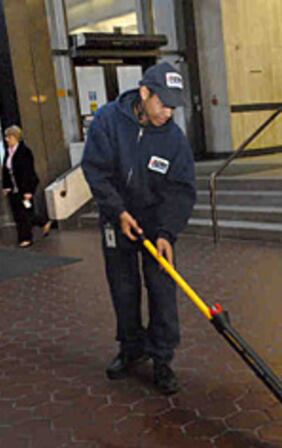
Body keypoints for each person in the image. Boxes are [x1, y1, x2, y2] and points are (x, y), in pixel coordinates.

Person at [81, 62, 196, 395]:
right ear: (145, 93)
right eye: (163, 103)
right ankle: (131, 349)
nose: (168, 112)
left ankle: (162, 359)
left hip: (155, 222)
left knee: (162, 291)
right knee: (123, 287)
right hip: (116, 218)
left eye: (173, 106)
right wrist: (117, 212)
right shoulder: (107, 121)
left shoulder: (174, 139)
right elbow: (95, 170)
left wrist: (166, 233)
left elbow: (182, 189)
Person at [1, 126, 51, 247]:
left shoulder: (25, 152)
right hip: (13, 188)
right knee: (20, 213)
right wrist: (6, 186)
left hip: (24, 187)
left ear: (15, 137)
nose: (6, 139)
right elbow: (5, 170)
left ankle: (26, 238)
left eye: (9, 137)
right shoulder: (8, 152)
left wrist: (29, 191)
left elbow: (28, 172)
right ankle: (43, 222)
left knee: (24, 213)